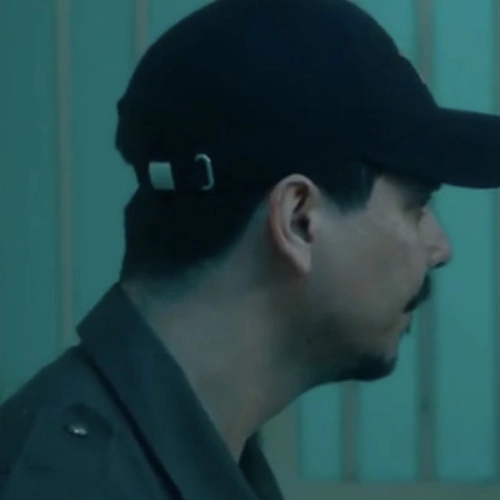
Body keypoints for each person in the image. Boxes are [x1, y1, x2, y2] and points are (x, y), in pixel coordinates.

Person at [2, 0, 500, 498]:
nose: (441, 248)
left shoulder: (188, 459)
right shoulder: (70, 485)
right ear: (298, 220)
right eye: (417, 205)